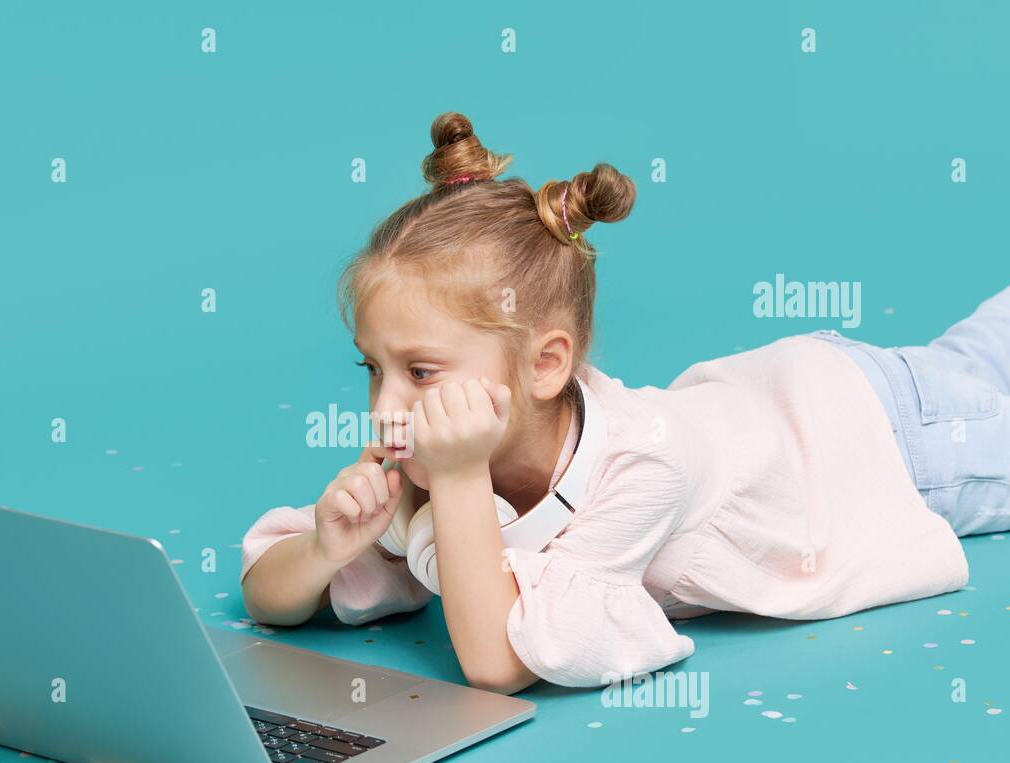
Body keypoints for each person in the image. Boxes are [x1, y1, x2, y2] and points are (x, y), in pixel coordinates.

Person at [239, 111, 1009, 695]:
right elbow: (268, 596)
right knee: (976, 354)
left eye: (421, 371)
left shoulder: (643, 464)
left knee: (967, 380)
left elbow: (498, 663)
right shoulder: (427, 463)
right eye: (373, 369)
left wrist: (464, 478)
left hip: (879, 441)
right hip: (823, 396)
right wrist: (327, 550)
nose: (387, 407)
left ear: (545, 367)